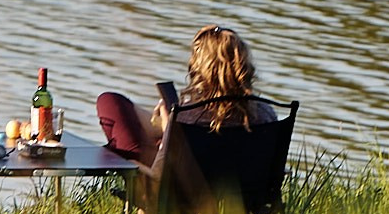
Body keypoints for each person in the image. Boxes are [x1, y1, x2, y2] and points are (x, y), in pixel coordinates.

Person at [96, 23, 277, 170]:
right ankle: (159, 129)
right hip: (250, 202)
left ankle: (159, 129)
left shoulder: (191, 116)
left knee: (109, 101)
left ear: (200, 70)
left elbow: (163, 169)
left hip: (184, 202)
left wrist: (170, 128)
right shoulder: (266, 114)